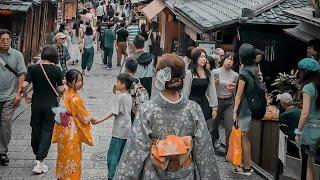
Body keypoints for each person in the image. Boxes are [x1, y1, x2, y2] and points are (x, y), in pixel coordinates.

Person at [113, 54, 221, 179]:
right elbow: (204, 151)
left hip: (153, 173)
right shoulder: (193, 109)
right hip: (185, 173)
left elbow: (135, 151)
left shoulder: (148, 109)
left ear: (159, 77)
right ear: (183, 78)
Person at [22, 45, 65, 173]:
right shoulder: (57, 70)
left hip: (36, 104)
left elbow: (24, 85)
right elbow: (61, 89)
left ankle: (37, 153)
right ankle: (40, 161)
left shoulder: (33, 68)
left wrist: (25, 96)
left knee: (36, 128)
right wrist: (62, 91)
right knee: (47, 131)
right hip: (50, 105)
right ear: (54, 56)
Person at [52, 69, 97, 179]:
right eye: (77, 81)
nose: (80, 83)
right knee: (72, 157)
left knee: (63, 155)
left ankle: (62, 176)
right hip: (72, 131)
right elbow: (83, 115)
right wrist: (91, 118)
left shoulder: (66, 93)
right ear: (69, 82)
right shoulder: (75, 98)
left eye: (81, 81)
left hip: (64, 128)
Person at [92, 73, 133, 179]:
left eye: (118, 82)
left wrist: (99, 120)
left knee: (112, 155)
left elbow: (114, 112)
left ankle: (111, 175)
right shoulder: (128, 96)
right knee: (121, 154)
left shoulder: (121, 97)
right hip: (127, 129)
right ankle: (119, 174)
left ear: (123, 84)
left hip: (119, 131)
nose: (116, 84)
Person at [0, 29, 27, 165]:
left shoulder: (17, 55)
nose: (5, 42)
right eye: (2, 39)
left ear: (11, 40)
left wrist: (18, 93)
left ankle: (2, 151)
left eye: (7, 39)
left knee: (5, 123)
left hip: (10, 95)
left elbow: (21, 74)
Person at [232, 43, 258, 175]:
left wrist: (235, 111)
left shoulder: (243, 72)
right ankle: (247, 164)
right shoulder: (255, 68)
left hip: (244, 108)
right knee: (245, 137)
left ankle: (246, 167)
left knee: (242, 138)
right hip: (252, 106)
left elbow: (239, 94)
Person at [295, 58, 320, 180]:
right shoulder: (318, 86)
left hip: (309, 130)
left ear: (305, 72)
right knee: (312, 162)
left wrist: (298, 131)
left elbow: (305, 113)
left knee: (307, 164)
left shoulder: (308, 88)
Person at [182, 47, 218, 124]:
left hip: (204, 103)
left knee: (203, 127)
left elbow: (212, 91)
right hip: (191, 103)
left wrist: (214, 108)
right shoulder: (189, 73)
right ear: (195, 58)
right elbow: (185, 91)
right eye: (201, 57)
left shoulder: (209, 73)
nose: (204, 59)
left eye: (205, 57)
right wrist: (184, 107)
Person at [211, 52, 238, 151]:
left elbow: (236, 91)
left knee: (229, 128)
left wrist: (233, 89)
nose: (229, 61)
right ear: (224, 59)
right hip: (217, 100)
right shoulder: (215, 71)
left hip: (229, 101)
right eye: (228, 59)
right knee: (214, 126)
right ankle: (212, 146)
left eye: (232, 60)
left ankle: (228, 151)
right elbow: (211, 87)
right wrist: (214, 83)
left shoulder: (235, 75)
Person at [277, 93, 300, 158]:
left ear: (282, 103)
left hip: (290, 142)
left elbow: (280, 131)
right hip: (299, 139)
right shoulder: (298, 110)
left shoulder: (284, 115)